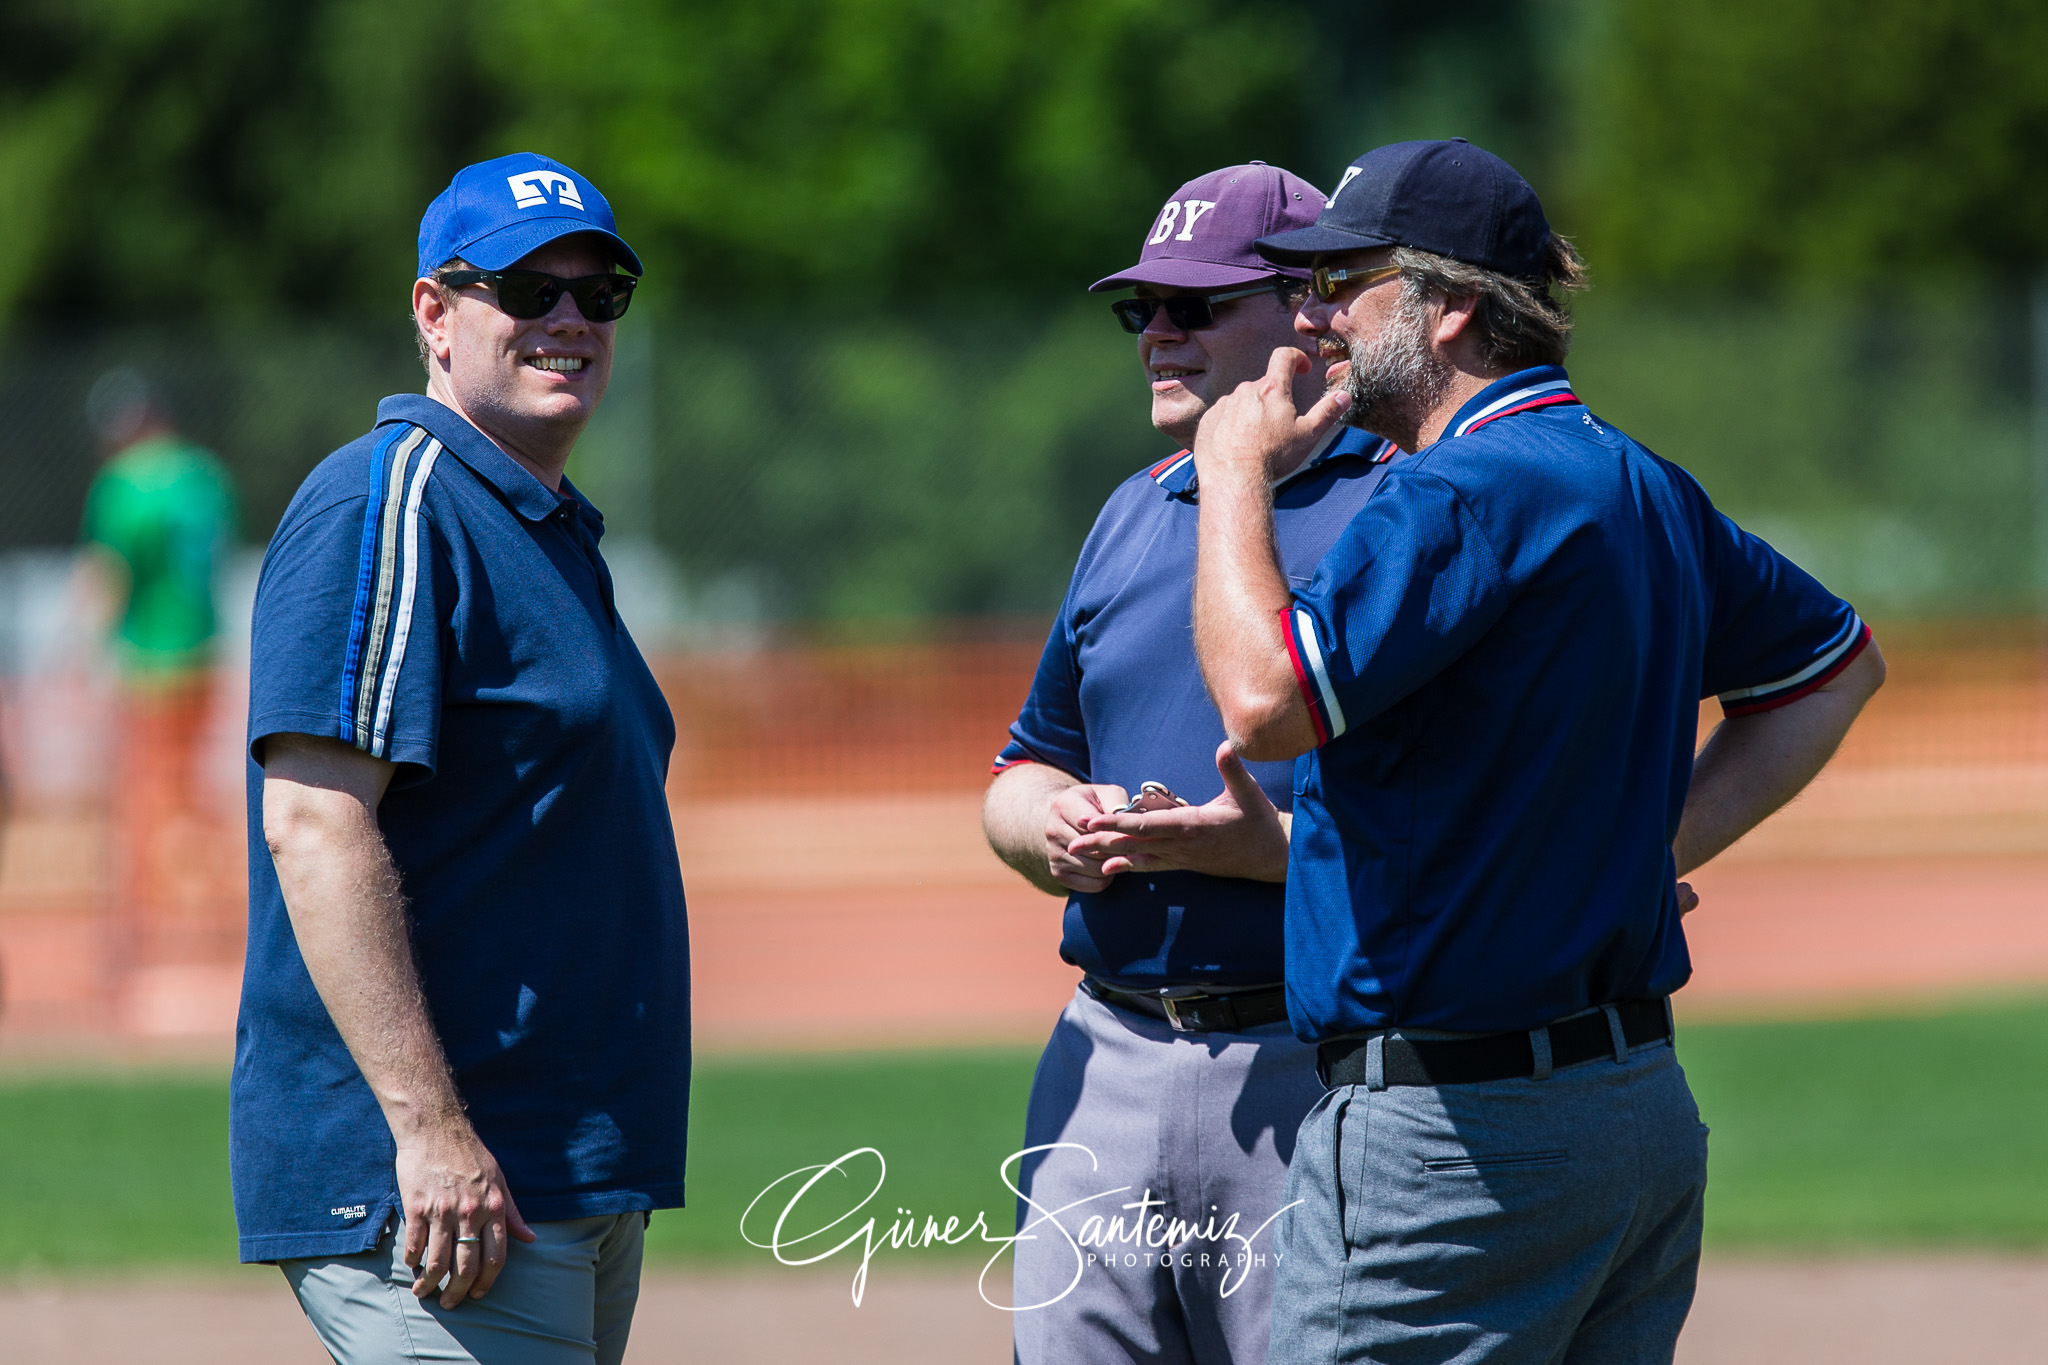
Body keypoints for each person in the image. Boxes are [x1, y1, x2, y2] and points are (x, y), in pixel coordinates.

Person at [1185, 139, 1884, 1363]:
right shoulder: (1635, 482)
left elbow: (1261, 701)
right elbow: (1831, 674)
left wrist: (1229, 469)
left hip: (1451, 1147)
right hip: (1632, 1117)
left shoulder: (1460, 491)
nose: (1312, 314)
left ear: (1448, 307)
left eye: (1343, 280)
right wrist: (1634, 854)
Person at [231, 153, 688, 1365]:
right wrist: (429, 1130)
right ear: (434, 312)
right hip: (441, 1193)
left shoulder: (538, 523)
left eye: (599, 295)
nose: (570, 321)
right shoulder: (393, 498)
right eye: (528, 291)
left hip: (561, 1171)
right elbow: (314, 822)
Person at [982, 162, 1397, 1364]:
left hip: (1310, 1069)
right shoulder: (1130, 510)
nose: (1156, 332)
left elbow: (1459, 828)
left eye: (1193, 304)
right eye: (1139, 309)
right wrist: (1046, 826)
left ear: (1305, 306)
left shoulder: (1403, 505)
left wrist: (1270, 860)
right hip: (1100, 1059)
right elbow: (1020, 766)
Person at [79, 370, 240, 1016]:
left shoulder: (121, 486)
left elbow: (108, 579)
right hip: (203, 656)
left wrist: (78, 658)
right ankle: (211, 928)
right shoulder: (205, 477)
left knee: (142, 804)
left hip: (148, 665)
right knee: (190, 796)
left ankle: (137, 941)